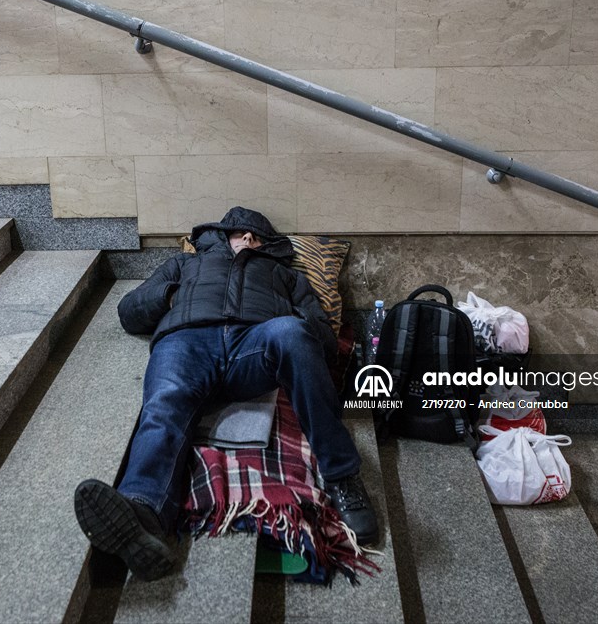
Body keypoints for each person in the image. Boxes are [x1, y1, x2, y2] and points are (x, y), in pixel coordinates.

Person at [74, 206, 379, 581]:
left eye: (258, 236)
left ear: (269, 246)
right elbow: (128, 313)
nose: (249, 238)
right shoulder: (184, 265)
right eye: (239, 233)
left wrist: (291, 324)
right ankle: (143, 514)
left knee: (290, 334)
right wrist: (169, 298)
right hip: (187, 341)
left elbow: (324, 338)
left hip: (253, 347)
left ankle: (342, 476)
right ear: (222, 236)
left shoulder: (284, 275)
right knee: (165, 403)